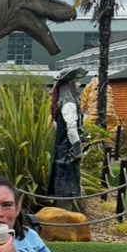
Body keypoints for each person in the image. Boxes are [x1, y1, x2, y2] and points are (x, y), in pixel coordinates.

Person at [46, 67, 86, 203]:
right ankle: (65, 209)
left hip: (61, 149)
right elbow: (71, 128)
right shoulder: (68, 103)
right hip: (66, 150)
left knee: (62, 175)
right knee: (66, 179)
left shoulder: (61, 102)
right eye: (75, 82)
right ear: (69, 85)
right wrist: (77, 147)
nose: (77, 85)